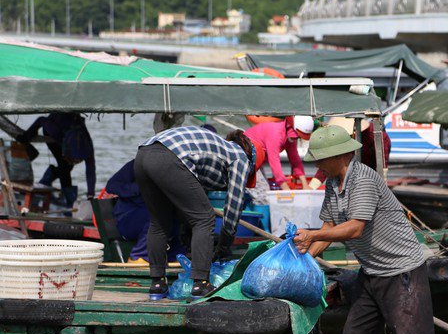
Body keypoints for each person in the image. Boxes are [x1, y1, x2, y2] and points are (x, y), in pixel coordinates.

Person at [293, 125, 437, 334]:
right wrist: (303, 254)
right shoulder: (333, 185)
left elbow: (354, 227)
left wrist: (313, 234)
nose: (317, 165)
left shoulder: (364, 179)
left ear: (341, 156)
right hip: (371, 271)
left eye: (321, 159)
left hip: (402, 269)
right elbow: (329, 229)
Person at [134, 126, 264, 301]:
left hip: (144, 154)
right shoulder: (240, 157)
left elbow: (187, 203)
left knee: (159, 223)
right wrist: (224, 246)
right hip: (169, 155)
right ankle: (201, 284)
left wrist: (187, 236)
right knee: (205, 219)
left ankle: (157, 284)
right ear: (252, 161)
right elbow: (233, 207)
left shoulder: (217, 149)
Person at [105, 160, 184, 263]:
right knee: (155, 213)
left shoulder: (176, 169)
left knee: (178, 214)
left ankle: (175, 255)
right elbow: (112, 186)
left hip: (160, 220)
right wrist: (142, 188)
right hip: (128, 219)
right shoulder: (137, 165)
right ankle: (139, 256)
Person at [18, 112, 96, 207]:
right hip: (55, 127)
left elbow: (90, 171)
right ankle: (65, 198)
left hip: (73, 129)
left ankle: (57, 184)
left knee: (66, 167)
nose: (74, 163)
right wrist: (27, 136)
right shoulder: (57, 134)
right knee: (64, 166)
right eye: (70, 159)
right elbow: (41, 119)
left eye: (75, 161)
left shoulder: (88, 148)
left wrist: (90, 194)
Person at [309, 117, 391, 189]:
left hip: (369, 180)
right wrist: (312, 187)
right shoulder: (339, 141)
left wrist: (382, 187)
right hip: (347, 180)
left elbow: (383, 167)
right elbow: (329, 161)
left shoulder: (379, 137)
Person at [244, 115, 314, 190]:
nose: (297, 139)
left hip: (257, 159)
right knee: (263, 190)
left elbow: (295, 160)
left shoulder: (290, 137)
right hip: (246, 154)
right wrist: (285, 188)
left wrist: (305, 184)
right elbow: (274, 161)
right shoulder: (276, 133)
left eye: (299, 137)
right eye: (298, 136)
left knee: (263, 188)